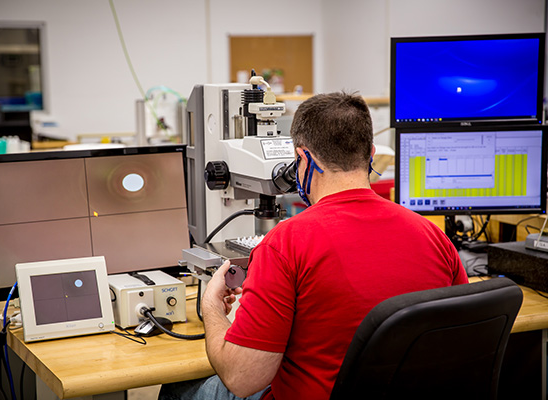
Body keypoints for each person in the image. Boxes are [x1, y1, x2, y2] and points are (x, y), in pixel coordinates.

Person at [159, 92, 467, 400]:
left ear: (303, 159)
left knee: (176, 389)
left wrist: (212, 308)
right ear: (371, 154)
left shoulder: (286, 243)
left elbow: (243, 379)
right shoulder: (434, 236)